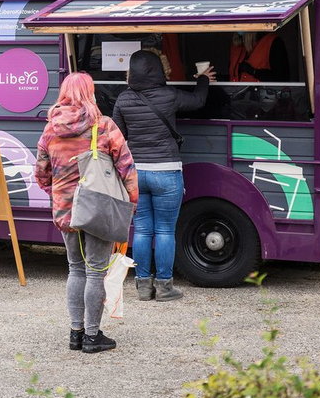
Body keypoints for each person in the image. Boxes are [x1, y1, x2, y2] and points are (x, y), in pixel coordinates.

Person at [34, 72, 138, 354]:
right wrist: (131, 202)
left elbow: (41, 174)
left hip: (65, 211)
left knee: (75, 268)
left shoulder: (50, 130)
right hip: (99, 208)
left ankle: (75, 333)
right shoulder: (103, 126)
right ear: (90, 92)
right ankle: (93, 337)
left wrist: (59, 196)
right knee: (95, 272)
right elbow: (126, 168)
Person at [112, 51, 213, 302]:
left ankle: (143, 286)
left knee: (143, 230)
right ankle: (165, 287)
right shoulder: (170, 97)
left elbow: (118, 136)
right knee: (166, 231)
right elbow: (199, 101)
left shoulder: (123, 100)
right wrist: (203, 79)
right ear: (159, 70)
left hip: (137, 173)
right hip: (166, 171)